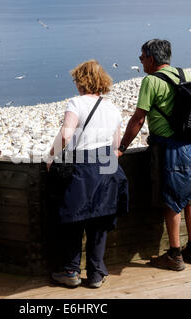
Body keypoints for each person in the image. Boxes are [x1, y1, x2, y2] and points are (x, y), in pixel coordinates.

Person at [118, 39, 191, 271]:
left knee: (171, 199)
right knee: (190, 196)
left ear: (151, 59)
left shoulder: (151, 81)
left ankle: (174, 254)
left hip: (167, 148)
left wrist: (122, 147)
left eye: (141, 57)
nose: (141, 61)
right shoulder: (184, 75)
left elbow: (138, 118)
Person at [46, 60, 129, 288]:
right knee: (100, 221)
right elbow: (116, 145)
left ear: (81, 81)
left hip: (82, 166)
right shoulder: (112, 108)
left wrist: (52, 156)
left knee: (74, 219)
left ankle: (71, 271)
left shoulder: (76, 103)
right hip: (107, 166)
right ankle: (95, 273)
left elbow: (65, 135)